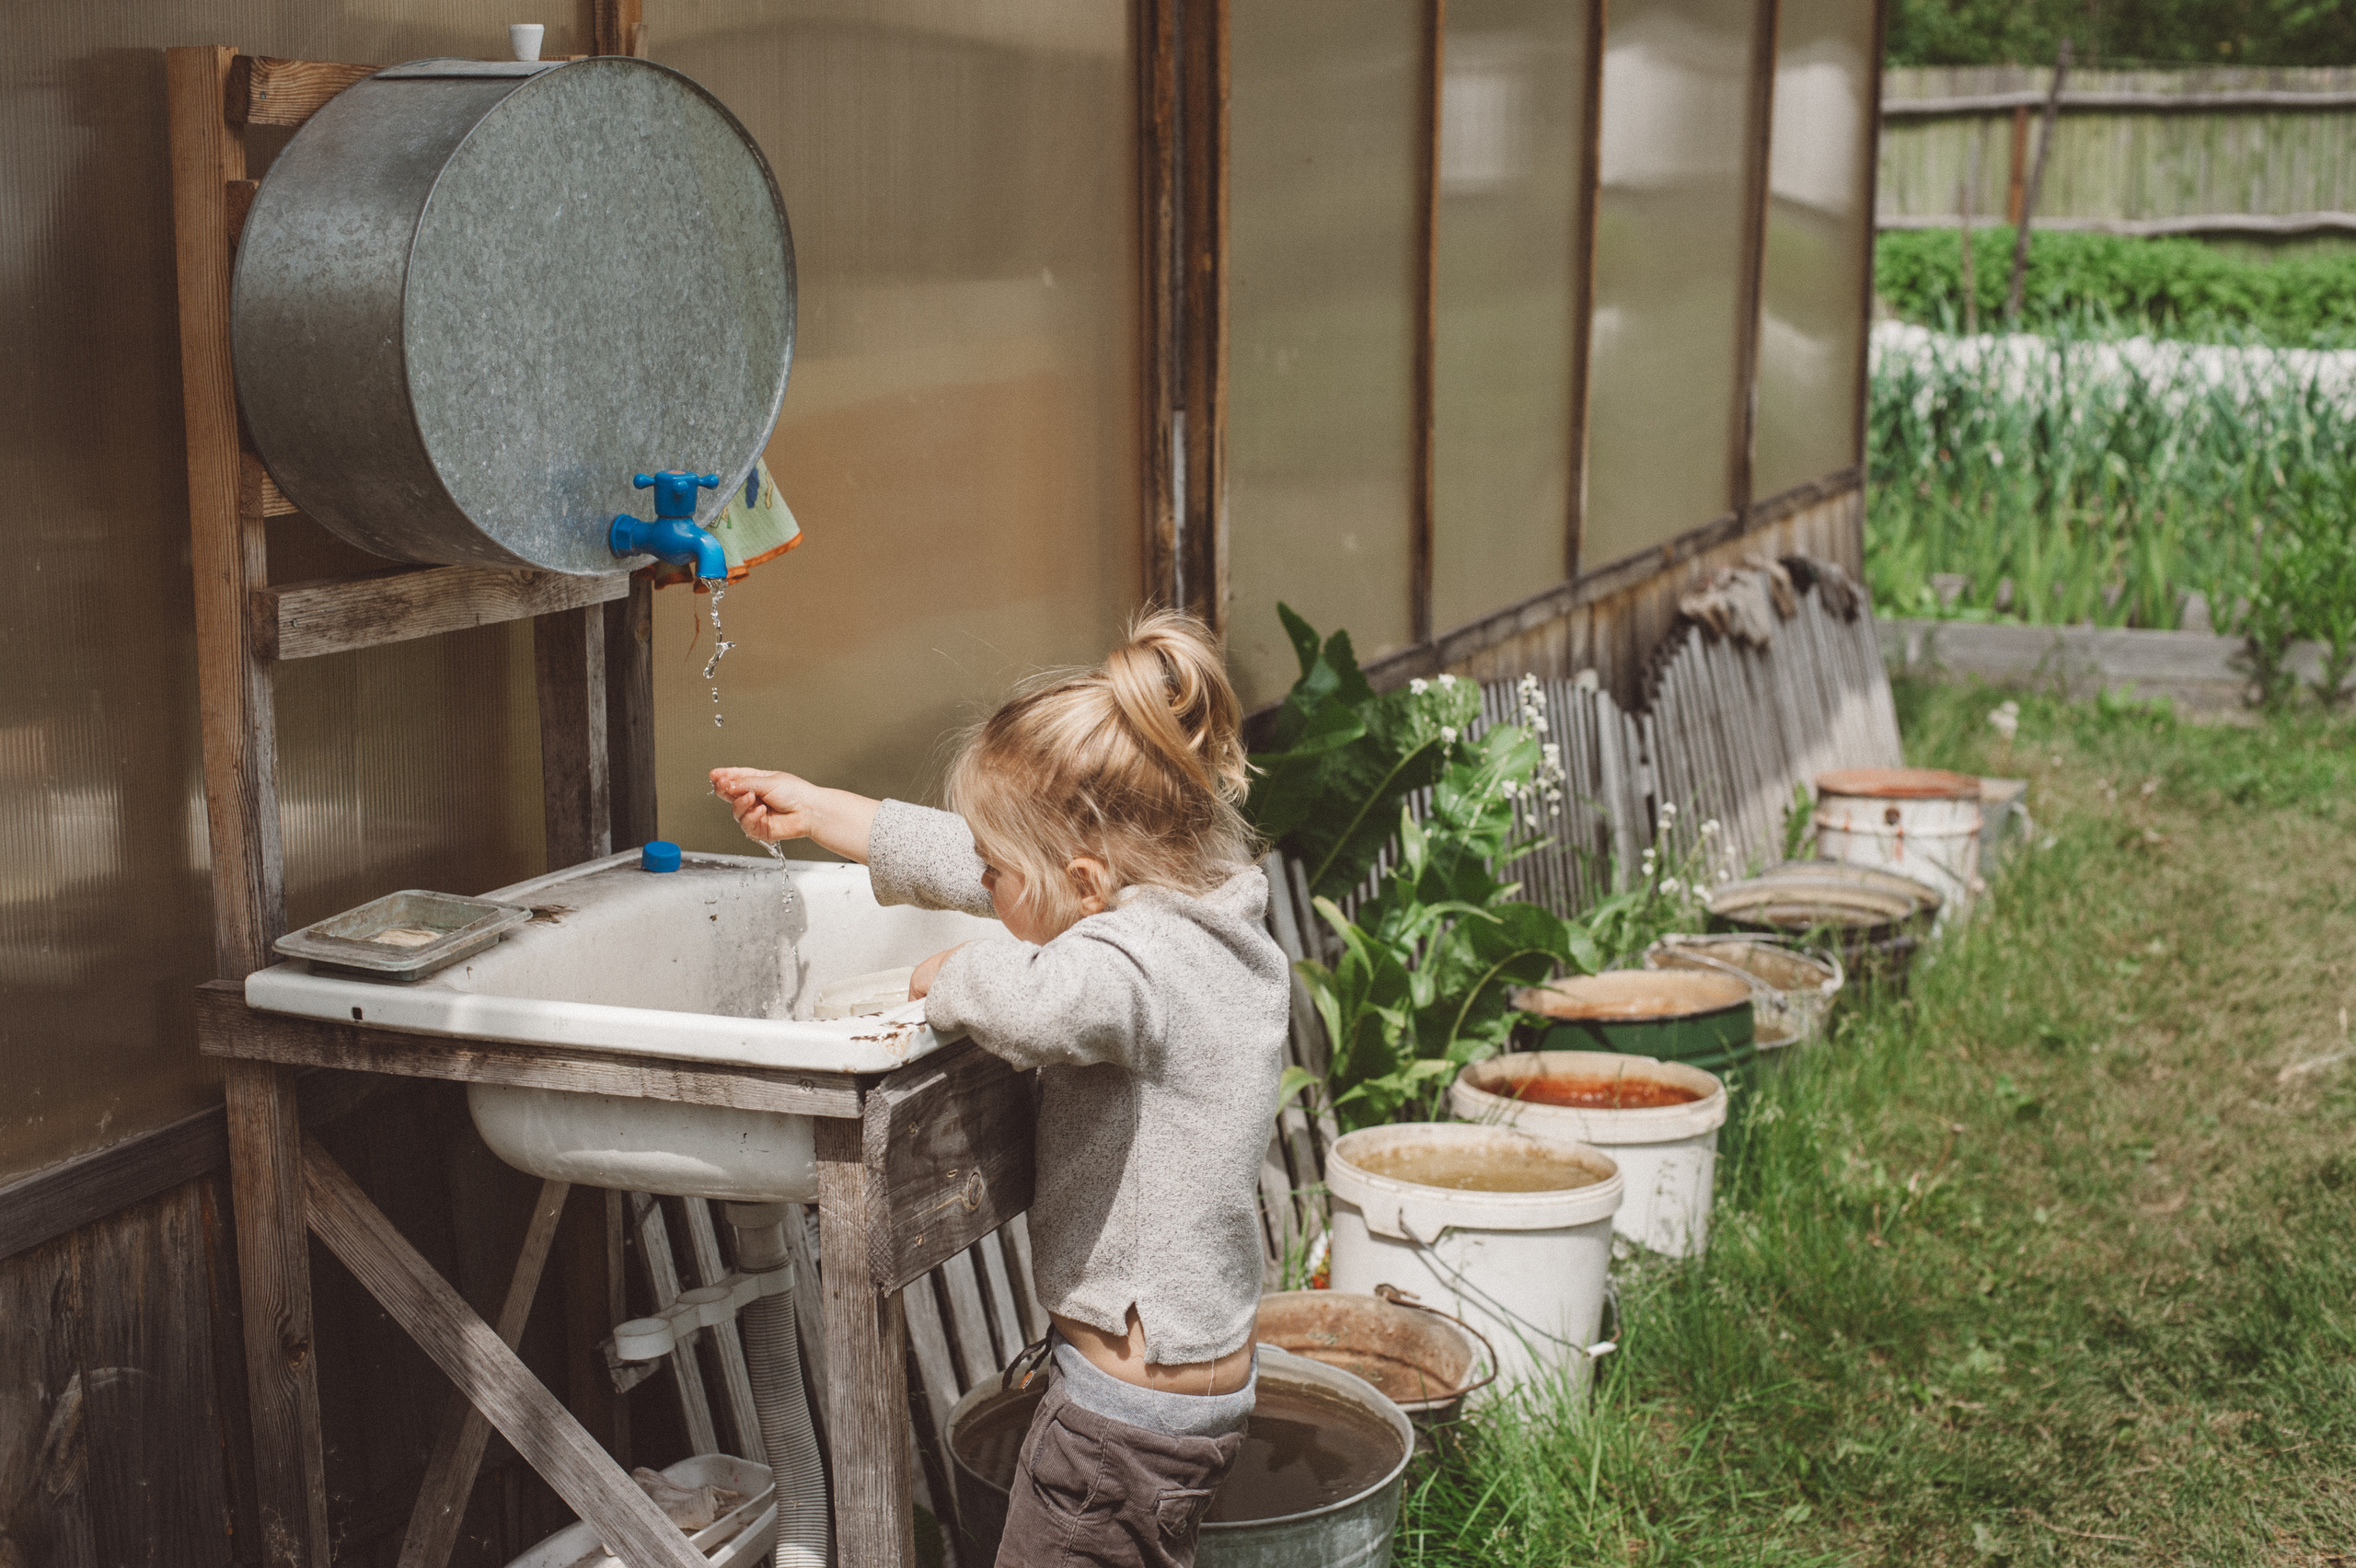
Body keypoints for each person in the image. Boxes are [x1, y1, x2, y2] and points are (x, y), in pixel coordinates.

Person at [710, 611, 1287, 1568]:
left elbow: (1041, 999)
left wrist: (948, 978)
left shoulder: (1131, 968)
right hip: (1186, 1391)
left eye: (998, 873)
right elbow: (989, 865)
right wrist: (825, 810)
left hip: (1120, 1428)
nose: (983, 884)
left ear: (1086, 881)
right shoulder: (1200, 899)